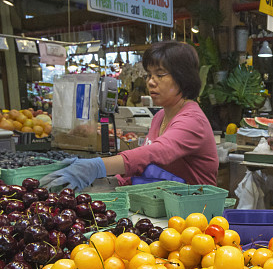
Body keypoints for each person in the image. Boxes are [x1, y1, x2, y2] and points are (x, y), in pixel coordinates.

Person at [42, 41, 218, 190]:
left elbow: (156, 153)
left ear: (183, 77)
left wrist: (97, 166)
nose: (150, 81)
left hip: (198, 213)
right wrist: (113, 181)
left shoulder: (192, 120)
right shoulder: (160, 117)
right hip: (168, 208)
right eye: (149, 75)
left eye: (160, 74)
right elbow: (147, 167)